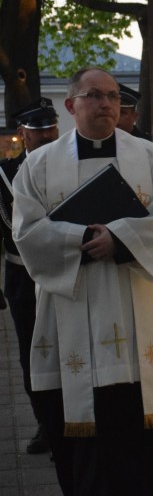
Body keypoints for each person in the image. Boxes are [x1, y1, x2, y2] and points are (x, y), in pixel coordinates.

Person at [12, 67, 153, 496]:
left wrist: (121, 240)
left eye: (112, 97)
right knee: (81, 442)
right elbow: (25, 231)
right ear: (71, 106)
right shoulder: (40, 165)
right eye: (94, 96)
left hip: (128, 311)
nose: (106, 104)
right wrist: (86, 237)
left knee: (132, 435)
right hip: (71, 313)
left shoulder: (148, 157)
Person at [0, 99, 59, 455]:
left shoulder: (70, 167)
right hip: (23, 275)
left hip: (61, 270)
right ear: (23, 135)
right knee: (32, 352)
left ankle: (70, 418)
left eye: (51, 129)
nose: (48, 137)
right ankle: (45, 422)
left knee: (67, 347)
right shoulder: (6, 174)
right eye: (39, 132)